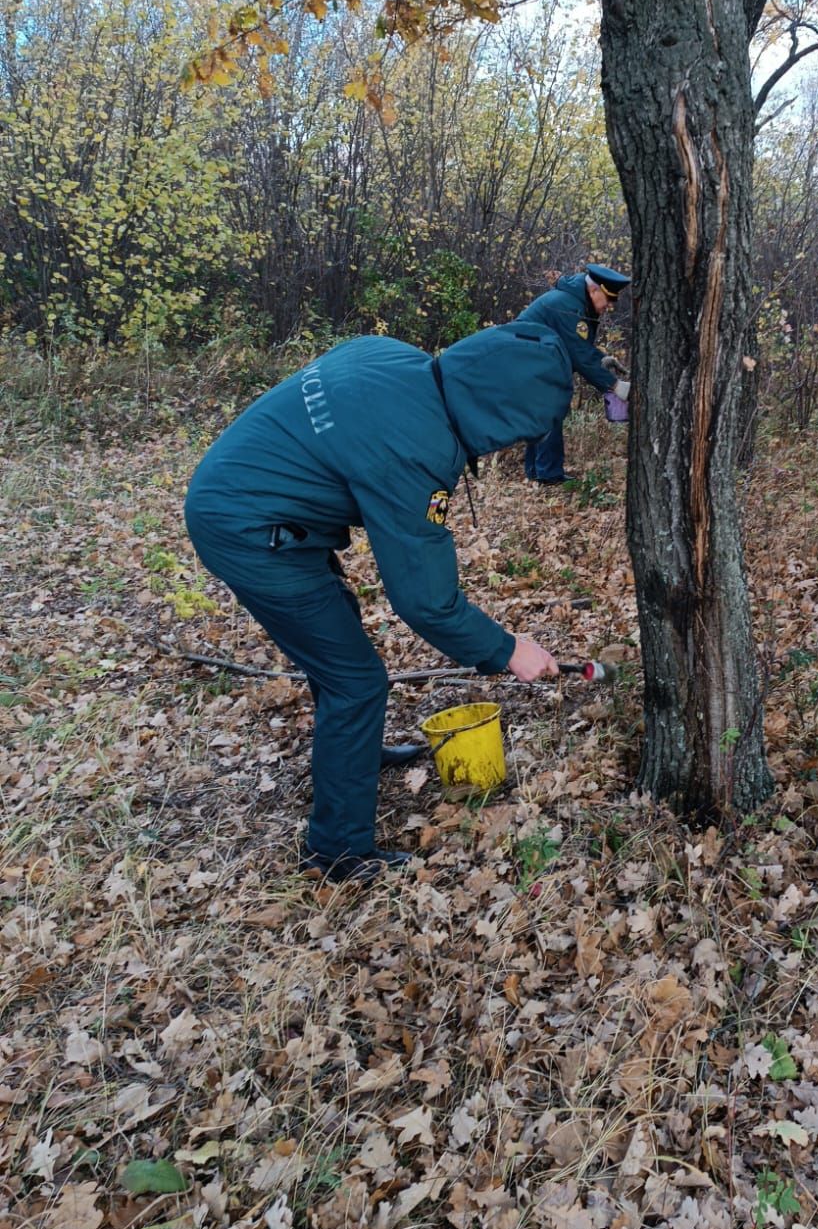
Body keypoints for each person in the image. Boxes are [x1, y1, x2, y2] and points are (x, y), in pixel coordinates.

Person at [184, 324, 571, 883]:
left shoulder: (394, 358)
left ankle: (354, 753)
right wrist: (507, 649)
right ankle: (337, 851)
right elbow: (425, 602)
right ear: (499, 415)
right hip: (247, 529)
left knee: (338, 639)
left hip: (247, 498)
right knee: (356, 680)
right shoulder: (416, 450)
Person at [516, 264, 631, 484]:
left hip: (533, 361)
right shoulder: (569, 306)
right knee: (551, 409)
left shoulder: (574, 300)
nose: (609, 305)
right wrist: (615, 385)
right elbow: (577, 352)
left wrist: (602, 360)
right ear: (595, 290)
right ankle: (549, 476)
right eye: (607, 299)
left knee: (543, 413)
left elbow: (577, 347)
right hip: (532, 361)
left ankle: (536, 472)